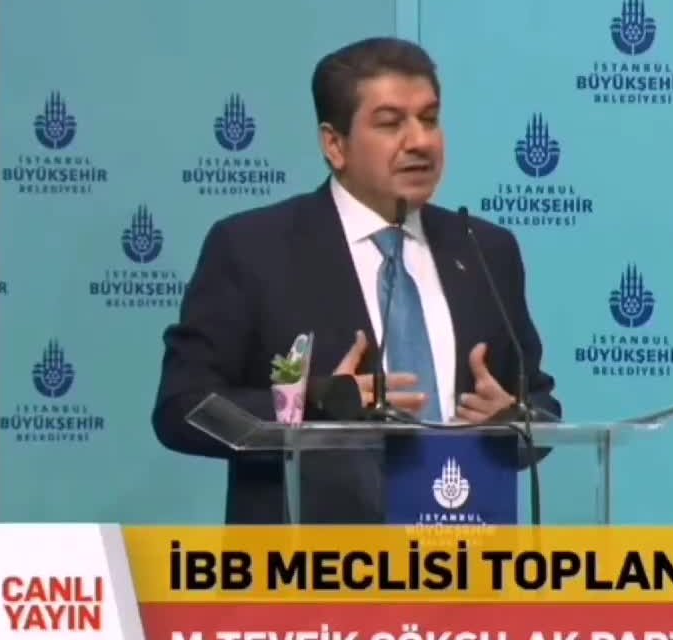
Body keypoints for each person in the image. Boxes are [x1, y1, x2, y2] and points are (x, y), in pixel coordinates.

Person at [151, 37, 561, 525]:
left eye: (429, 119)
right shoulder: (253, 248)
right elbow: (183, 407)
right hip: (311, 563)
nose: (420, 141)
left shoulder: (484, 250)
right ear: (335, 145)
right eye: (390, 123)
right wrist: (317, 402)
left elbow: (541, 404)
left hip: (465, 553)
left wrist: (512, 419)